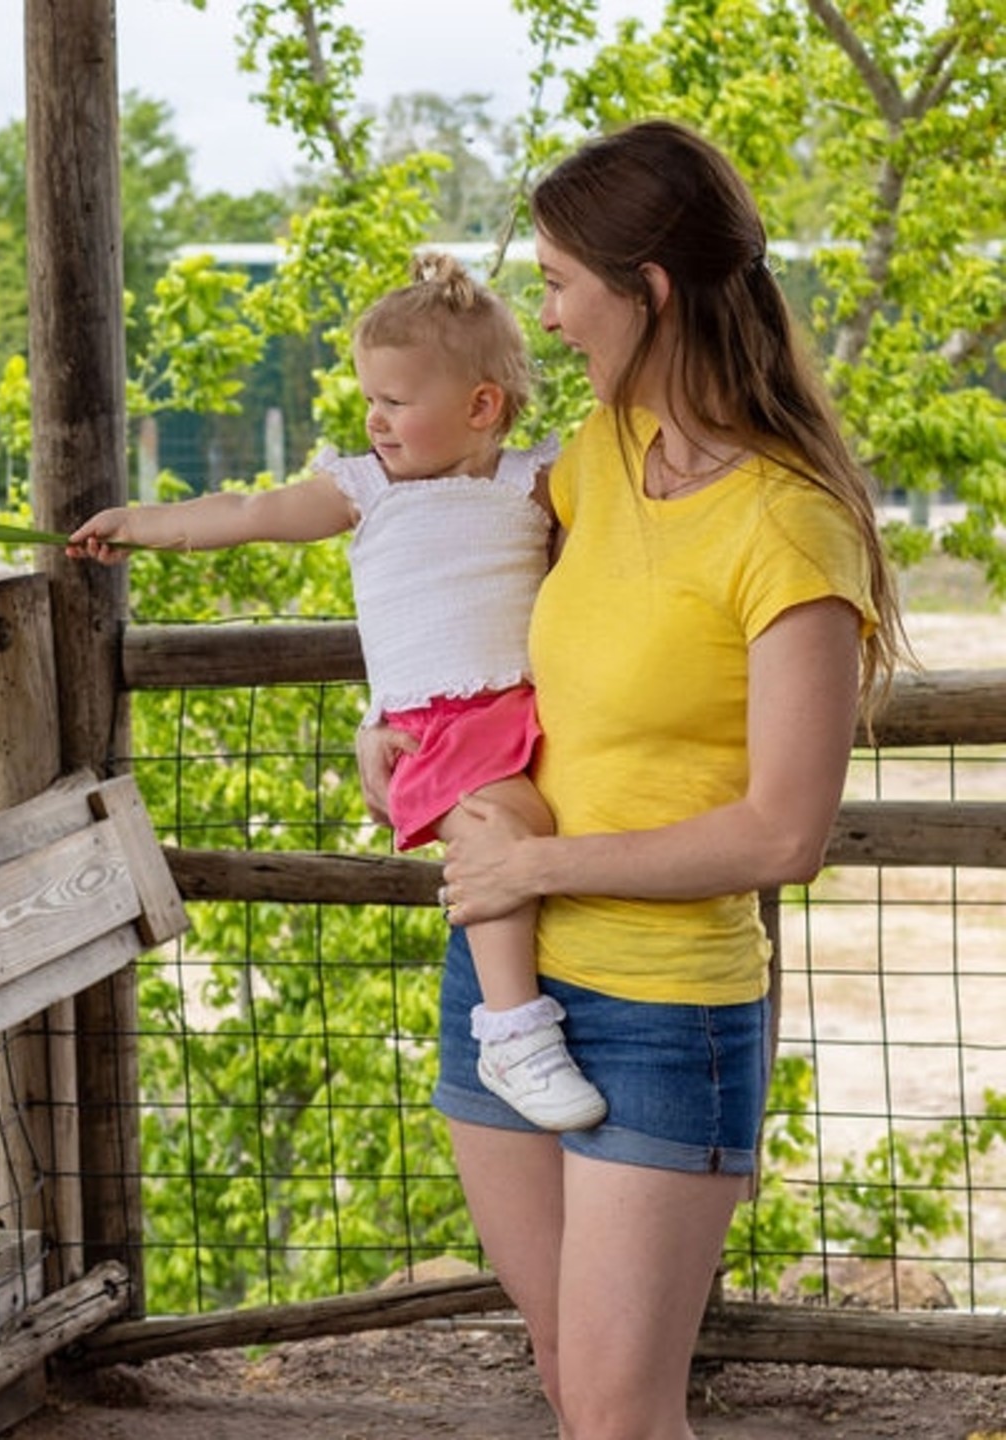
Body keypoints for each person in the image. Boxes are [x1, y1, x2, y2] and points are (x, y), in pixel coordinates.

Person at [359, 119, 907, 1438]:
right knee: (567, 1383)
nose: (543, 318)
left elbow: (786, 834)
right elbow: (464, 606)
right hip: (506, 984)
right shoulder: (596, 460)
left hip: (667, 1014)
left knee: (616, 1412)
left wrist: (536, 862)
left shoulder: (791, 527)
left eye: (556, 283)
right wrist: (389, 736)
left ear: (649, 290)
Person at [68, 251, 607, 1131]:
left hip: (526, 706)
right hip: (437, 722)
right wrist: (145, 527)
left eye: (396, 402)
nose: (375, 419)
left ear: (482, 407)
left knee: (528, 831)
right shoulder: (366, 489)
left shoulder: (530, 483)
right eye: (371, 399)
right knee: (500, 829)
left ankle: (523, 1018)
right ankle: (512, 1031)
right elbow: (248, 515)